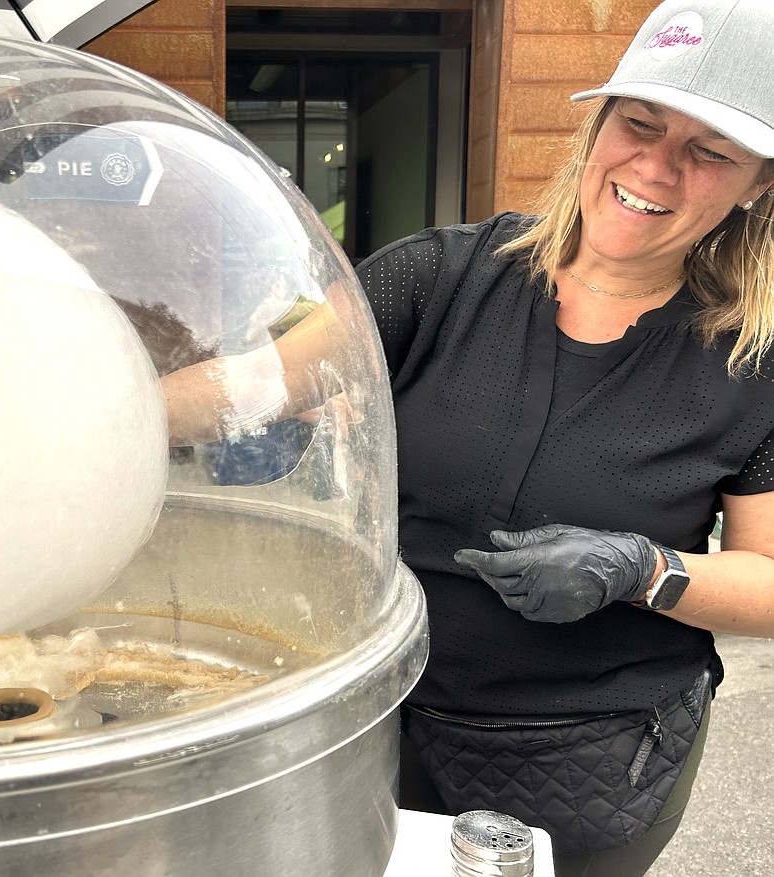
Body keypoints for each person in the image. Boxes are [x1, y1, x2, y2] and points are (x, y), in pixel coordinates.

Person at [355, 1, 774, 874]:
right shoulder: (433, 278)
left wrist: (642, 569)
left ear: (760, 182)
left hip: (598, 755)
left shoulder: (756, 362)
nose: (656, 166)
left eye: (712, 151)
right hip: (375, 725)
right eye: (640, 122)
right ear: (599, 124)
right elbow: (244, 387)